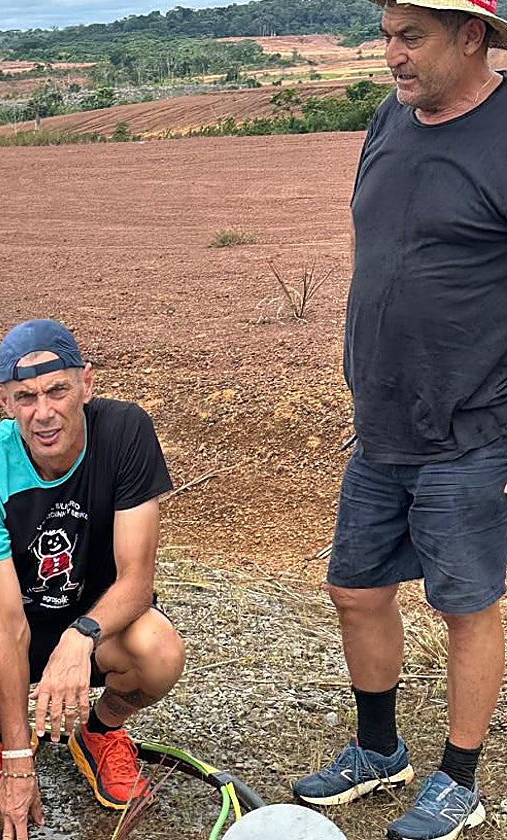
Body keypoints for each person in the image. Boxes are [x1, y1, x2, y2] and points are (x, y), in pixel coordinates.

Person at [291, 3, 507, 839]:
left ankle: (460, 779)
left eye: (410, 37)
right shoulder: (391, 118)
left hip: (475, 427)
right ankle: (379, 751)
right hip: (381, 418)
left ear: (471, 36)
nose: (390, 56)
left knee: (466, 603)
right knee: (355, 588)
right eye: (387, 35)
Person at [0, 319, 185, 840]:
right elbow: (7, 620)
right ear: (4, 400)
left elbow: (136, 578)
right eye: (25, 396)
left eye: (57, 390)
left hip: (94, 609)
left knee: (159, 652)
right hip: (7, 610)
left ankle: (100, 731)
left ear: (85, 383)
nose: (43, 412)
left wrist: (79, 636)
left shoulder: (126, 432)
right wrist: (20, 761)